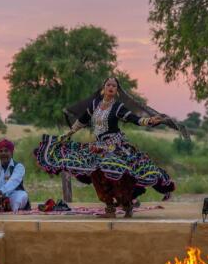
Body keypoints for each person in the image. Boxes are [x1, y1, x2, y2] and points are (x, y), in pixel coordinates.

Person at [35, 77, 175, 218]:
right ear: (103, 88)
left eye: (114, 86)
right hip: (97, 147)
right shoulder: (95, 104)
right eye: (108, 84)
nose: (111, 87)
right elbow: (82, 120)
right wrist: (67, 134)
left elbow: (135, 119)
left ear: (117, 91)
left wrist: (150, 120)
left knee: (117, 172)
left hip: (115, 146)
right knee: (96, 174)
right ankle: (109, 209)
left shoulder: (118, 107)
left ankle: (127, 206)